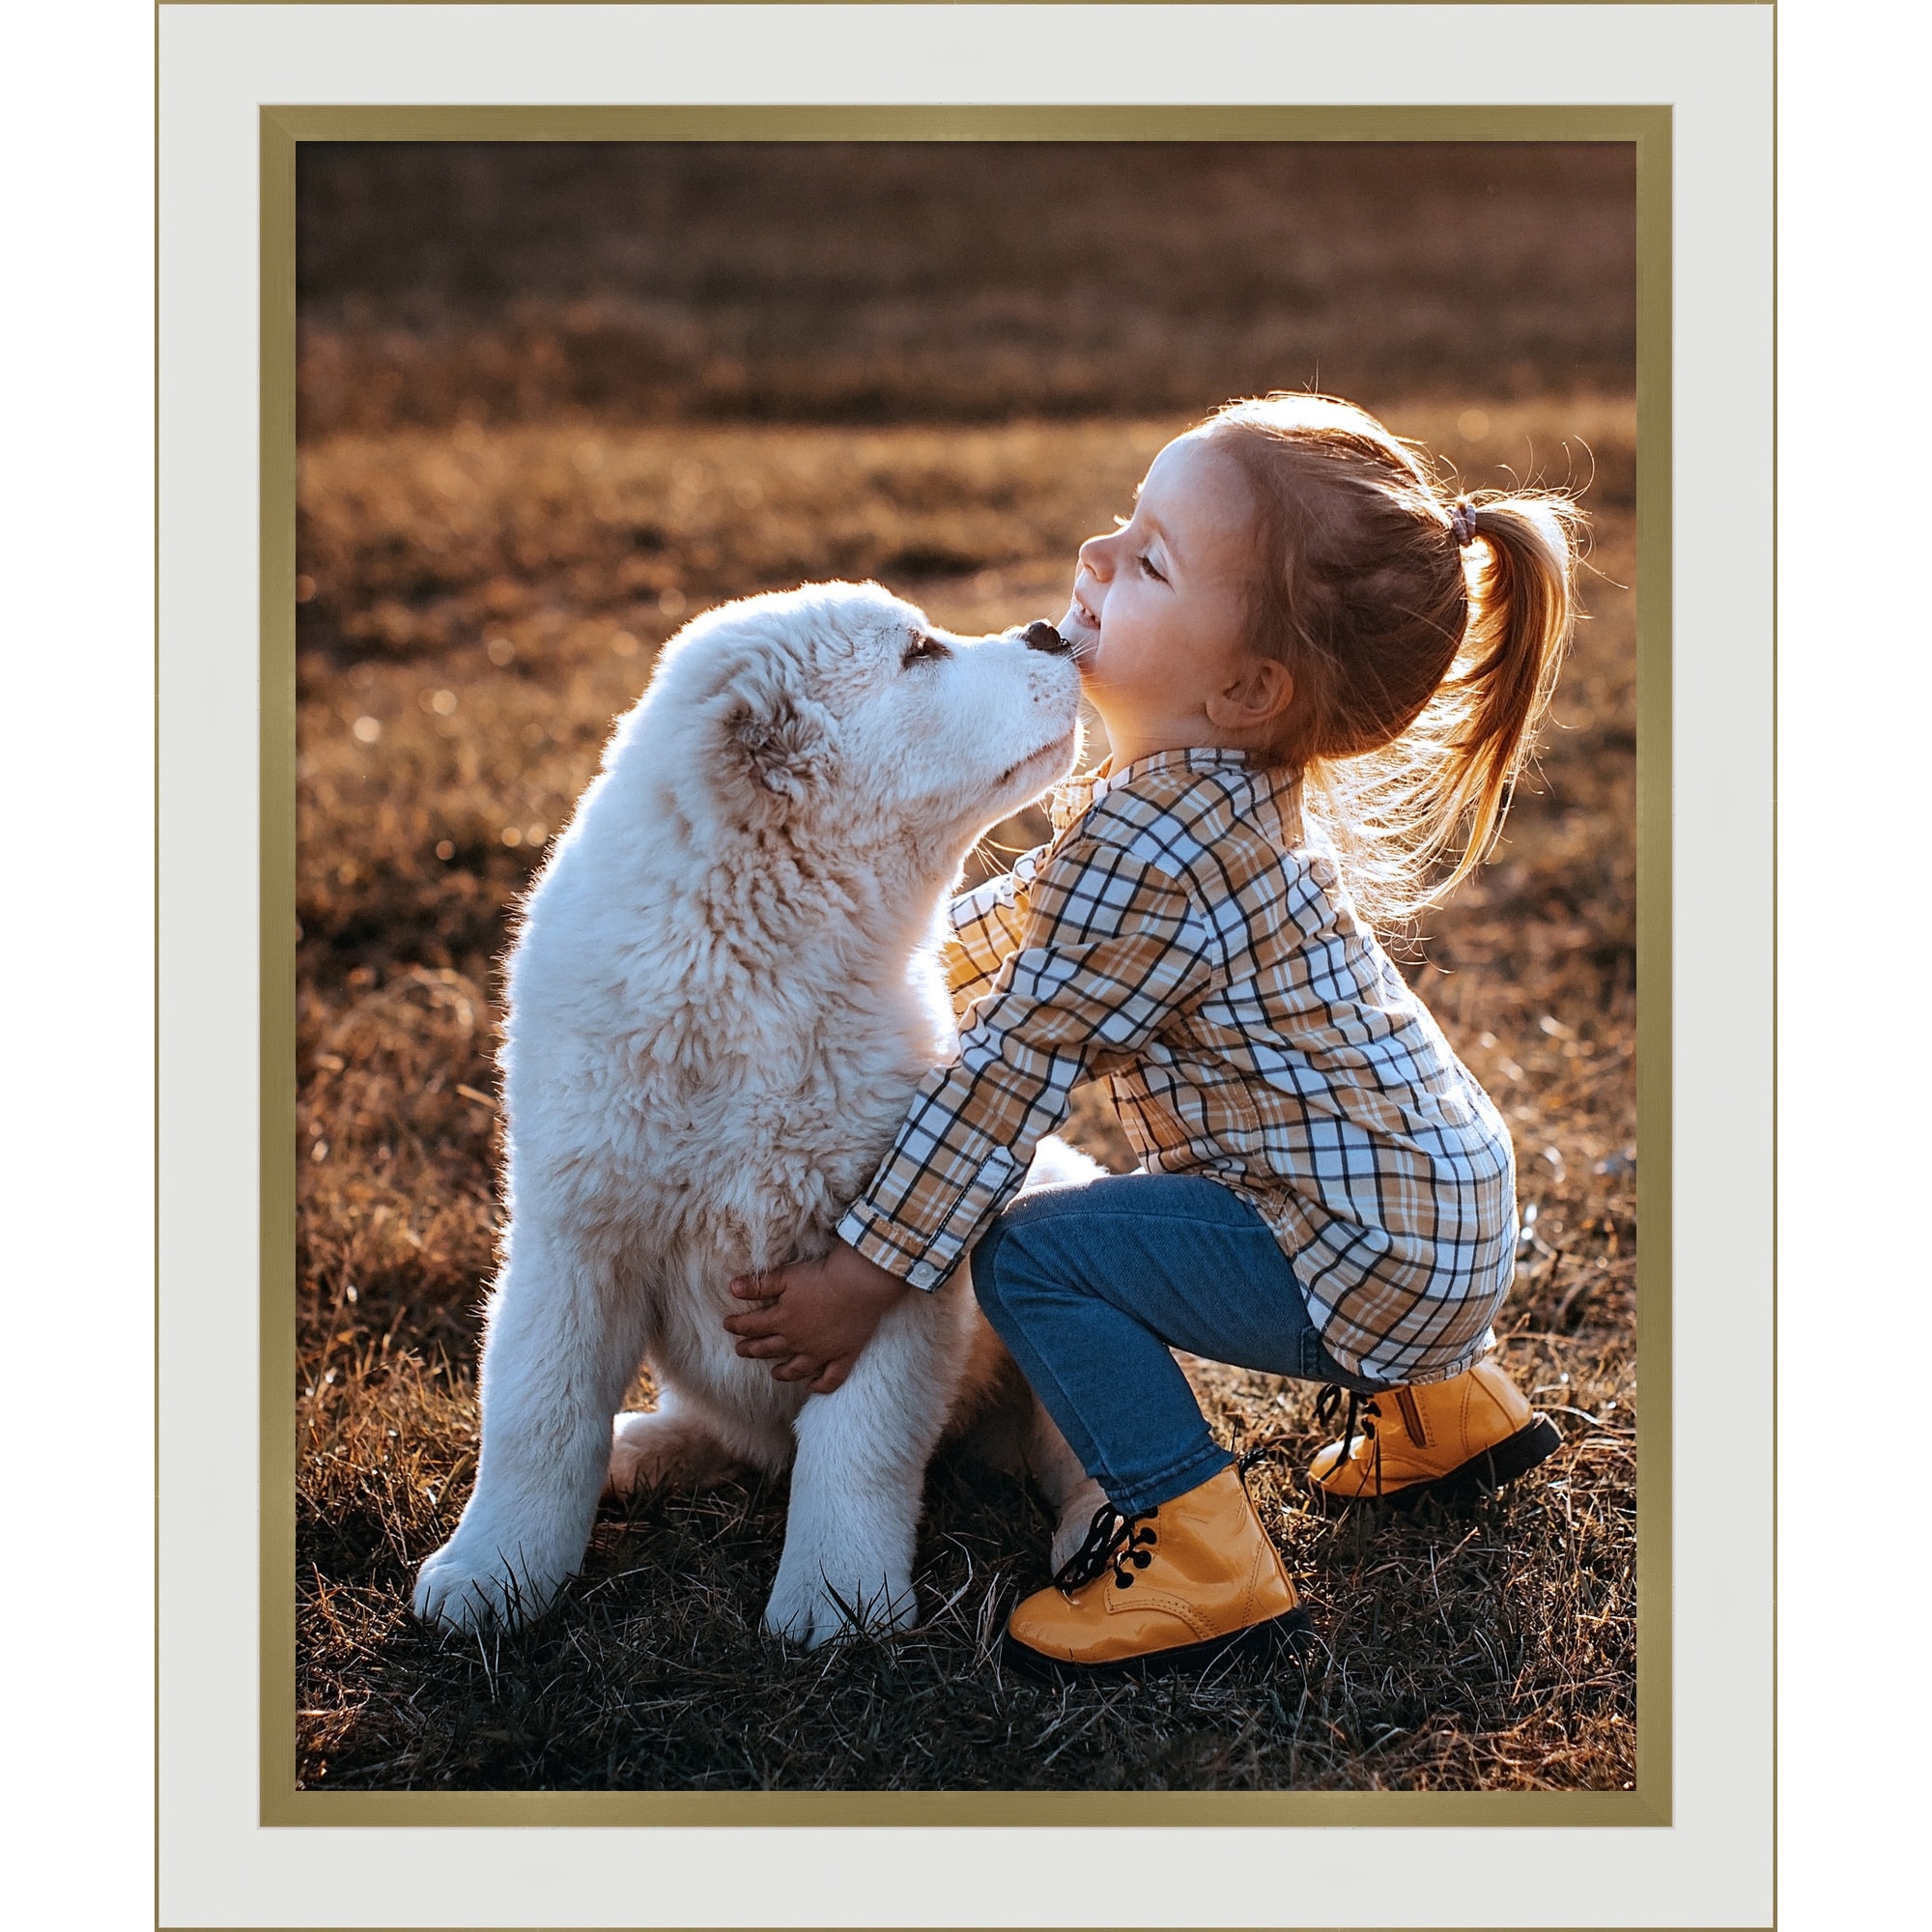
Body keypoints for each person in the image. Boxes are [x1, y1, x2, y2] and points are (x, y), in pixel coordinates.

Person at [724, 391, 1581, 1680]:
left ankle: (1190, 1547)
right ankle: (1447, 1409)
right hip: (1446, 1210)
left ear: (1245, 686)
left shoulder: (1151, 847)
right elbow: (1033, 916)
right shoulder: (1213, 796)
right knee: (1238, 1195)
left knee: (1032, 1253)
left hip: (1373, 1257)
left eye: (1152, 562)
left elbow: (1004, 1080)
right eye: (1124, 525)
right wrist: (857, 972)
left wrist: (865, 1276)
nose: (1097, 556)